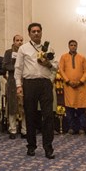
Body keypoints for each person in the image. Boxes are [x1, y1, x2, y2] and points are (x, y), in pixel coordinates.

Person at [16, 22, 56, 159]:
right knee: (30, 115)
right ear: (29, 33)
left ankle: (48, 147)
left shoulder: (48, 47)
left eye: (38, 31)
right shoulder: (23, 48)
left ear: (42, 32)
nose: (36, 33)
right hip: (29, 84)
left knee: (48, 115)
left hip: (45, 84)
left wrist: (48, 64)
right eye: (33, 31)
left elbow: (55, 67)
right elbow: (18, 68)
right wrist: (18, 86)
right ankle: (31, 146)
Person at [57, 40, 86, 135]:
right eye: (71, 45)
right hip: (69, 86)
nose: (73, 47)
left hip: (81, 87)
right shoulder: (64, 57)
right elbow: (61, 70)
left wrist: (80, 81)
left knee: (81, 109)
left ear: (77, 46)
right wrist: (68, 81)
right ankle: (71, 128)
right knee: (69, 108)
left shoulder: (82, 57)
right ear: (68, 46)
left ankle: (81, 129)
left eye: (75, 45)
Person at [1, 34, 25, 139]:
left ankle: (25, 130)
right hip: (12, 81)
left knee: (25, 105)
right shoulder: (8, 52)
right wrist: (17, 68)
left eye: (21, 40)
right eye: (17, 40)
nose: (19, 42)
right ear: (13, 41)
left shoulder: (25, 51)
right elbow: (5, 66)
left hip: (24, 81)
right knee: (12, 105)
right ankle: (13, 129)